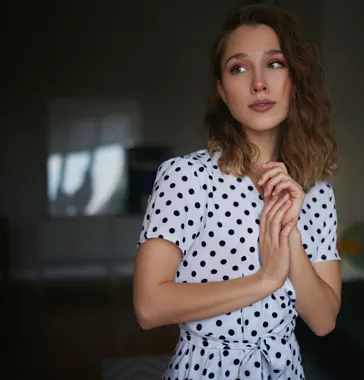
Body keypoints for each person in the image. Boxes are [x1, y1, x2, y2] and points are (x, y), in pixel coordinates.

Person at [133, 4, 341, 379]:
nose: (259, 83)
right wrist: (265, 281)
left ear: (296, 79)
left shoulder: (317, 193)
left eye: (275, 63)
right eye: (239, 68)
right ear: (223, 92)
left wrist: (289, 234)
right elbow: (149, 307)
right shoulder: (184, 177)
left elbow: (324, 320)